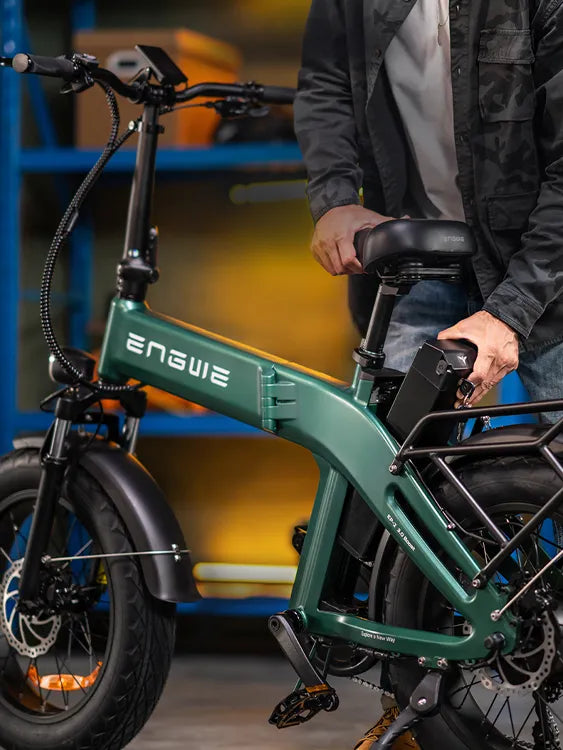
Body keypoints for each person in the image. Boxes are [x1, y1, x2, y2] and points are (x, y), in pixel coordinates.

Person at [294, 0, 563, 747]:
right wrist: (335, 199)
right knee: (391, 491)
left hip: (550, 266)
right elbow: (325, 83)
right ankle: (421, 703)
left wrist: (509, 312)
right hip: (426, 257)